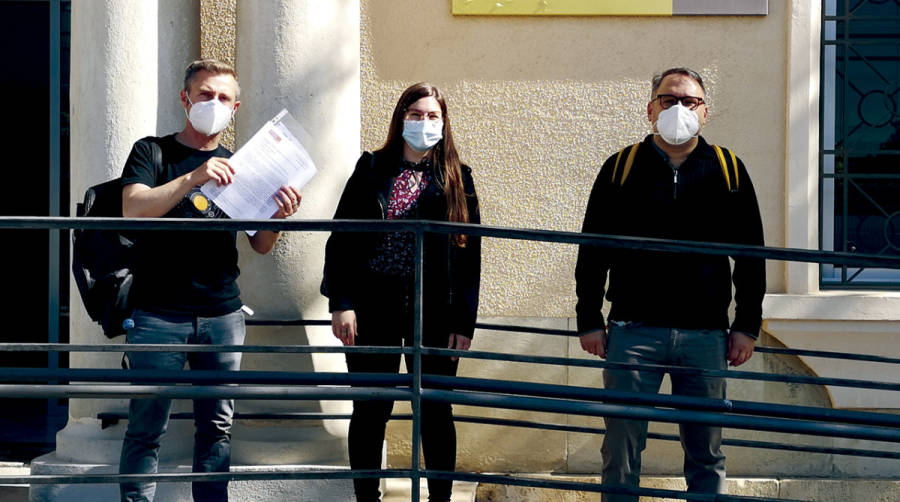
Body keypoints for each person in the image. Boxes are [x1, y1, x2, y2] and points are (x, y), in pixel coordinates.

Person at [575, 67, 765, 501]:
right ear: (650, 109)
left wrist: (746, 325)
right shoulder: (620, 168)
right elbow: (593, 251)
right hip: (632, 331)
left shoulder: (729, 169)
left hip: (706, 335)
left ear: (705, 112)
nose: (678, 109)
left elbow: (751, 256)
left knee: (706, 450)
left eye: (689, 102)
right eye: (668, 100)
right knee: (621, 447)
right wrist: (589, 317)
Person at [118, 59, 303, 502]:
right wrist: (193, 178)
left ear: (235, 108)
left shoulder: (241, 164)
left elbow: (260, 243)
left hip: (222, 314)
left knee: (217, 431)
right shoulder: (152, 151)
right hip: (158, 315)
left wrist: (278, 216)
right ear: (185, 99)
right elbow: (133, 209)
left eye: (223, 98)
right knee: (146, 427)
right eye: (205, 95)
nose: (214, 104)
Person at [323, 82, 481, 502]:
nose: (424, 123)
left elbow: (469, 257)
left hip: (437, 311)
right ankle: (367, 497)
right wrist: (342, 303)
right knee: (371, 407)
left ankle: (440, 498)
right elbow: (341, 239)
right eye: (416, 114)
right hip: (373, 305)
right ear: (400, 118)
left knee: (434, 408)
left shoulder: (457, 177)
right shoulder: (372, 167)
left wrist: (464, 320)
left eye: (432, 116)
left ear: (444, 123)